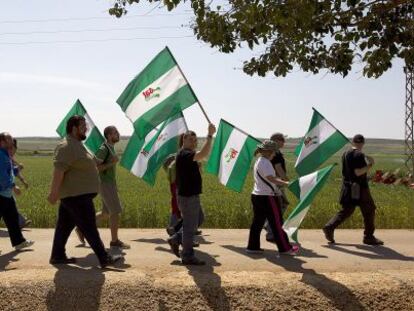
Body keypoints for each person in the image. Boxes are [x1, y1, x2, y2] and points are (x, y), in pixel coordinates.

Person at [47, 116, 123, 268]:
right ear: (74, 128)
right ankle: (104, 258)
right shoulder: (66, 146)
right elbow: (59, 170)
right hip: (76, 196)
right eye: (82, 126)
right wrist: (53, 193)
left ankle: (57, 255)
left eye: (85, 125)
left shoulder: (77, 144)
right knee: (89, 227)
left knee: (64, 227)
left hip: (74, 195)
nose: (86, 128)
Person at [167, 124, 216, 265]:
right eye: (191, 140)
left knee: (199, 219)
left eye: (195, 141)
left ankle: (176, 238)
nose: (194, 143)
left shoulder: (187, 155)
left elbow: (200, 158)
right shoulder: (185, 154)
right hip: (188, 197)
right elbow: (203, 154)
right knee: (190, 227)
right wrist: (210, 135)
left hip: (190, 195)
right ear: (184, 140)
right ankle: (187, 256)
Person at [323, 134, 384, 245]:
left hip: (347, 186)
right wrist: (370, 165)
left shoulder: (345, 154)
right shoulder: (359, 155)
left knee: (347, 210)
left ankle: (329, 226)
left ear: (353, 142)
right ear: (363, 143)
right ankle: (368, 237)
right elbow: (358, 172)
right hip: (360, 188)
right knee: (369, 210)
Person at [75, 126, 130, 249]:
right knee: (115, 211)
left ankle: (81, 228)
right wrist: (112, 162)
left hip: (109, 183)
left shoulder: (110, 148)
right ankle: (114, 241)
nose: (118, 134)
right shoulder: (104, 149)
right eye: (115, 132)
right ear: (109, 135)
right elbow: (95, 167)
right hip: (104, 183)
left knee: (106, 213)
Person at [247, 140, 299, 255]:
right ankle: (285, 248)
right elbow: (271, 178)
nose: (275, 154)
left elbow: (268, 178)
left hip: (257, 195)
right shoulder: (266, 163)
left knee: (257, 222)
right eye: (274, 152)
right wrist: (287, 183)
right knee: (277, 223)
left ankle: (252, 247)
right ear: (269, 151)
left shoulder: (259, 161)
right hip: (268, 197)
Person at [0, 132, 34, 251]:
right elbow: (2, 176)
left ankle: (19, 242)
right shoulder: (1, 155)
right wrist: (14, 186)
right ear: (2, 142)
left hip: (6, 194)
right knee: (12, 219)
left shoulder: (5, 155)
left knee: (13, 219)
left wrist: (16, 169)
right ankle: (19, 241)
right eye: (8, 140)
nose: (11, 142)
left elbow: (8, 172)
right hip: (2, 194)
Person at [265, 133, 289, 242]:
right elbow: (278, 168)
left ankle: (267, 225)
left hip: (274, 183)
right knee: (279, 207)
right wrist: (286, 181)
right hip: (276, 183)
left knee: (280, 205)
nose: (284, 142)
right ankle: (271, 232)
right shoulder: (276, 154)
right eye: (282, 139)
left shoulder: (275, 152)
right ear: (275, 140)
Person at [10, 139, 32, 228]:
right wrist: (18, 168)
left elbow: (14, 172)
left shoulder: (9, 158)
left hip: (5, 188)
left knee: (10, 204)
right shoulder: (4, 157)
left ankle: (20, 222)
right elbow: (7, 173)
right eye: (11, 148)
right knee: (9, 204)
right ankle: (20, 222)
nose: (13, 151)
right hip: (4, 187)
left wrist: (23, 181)